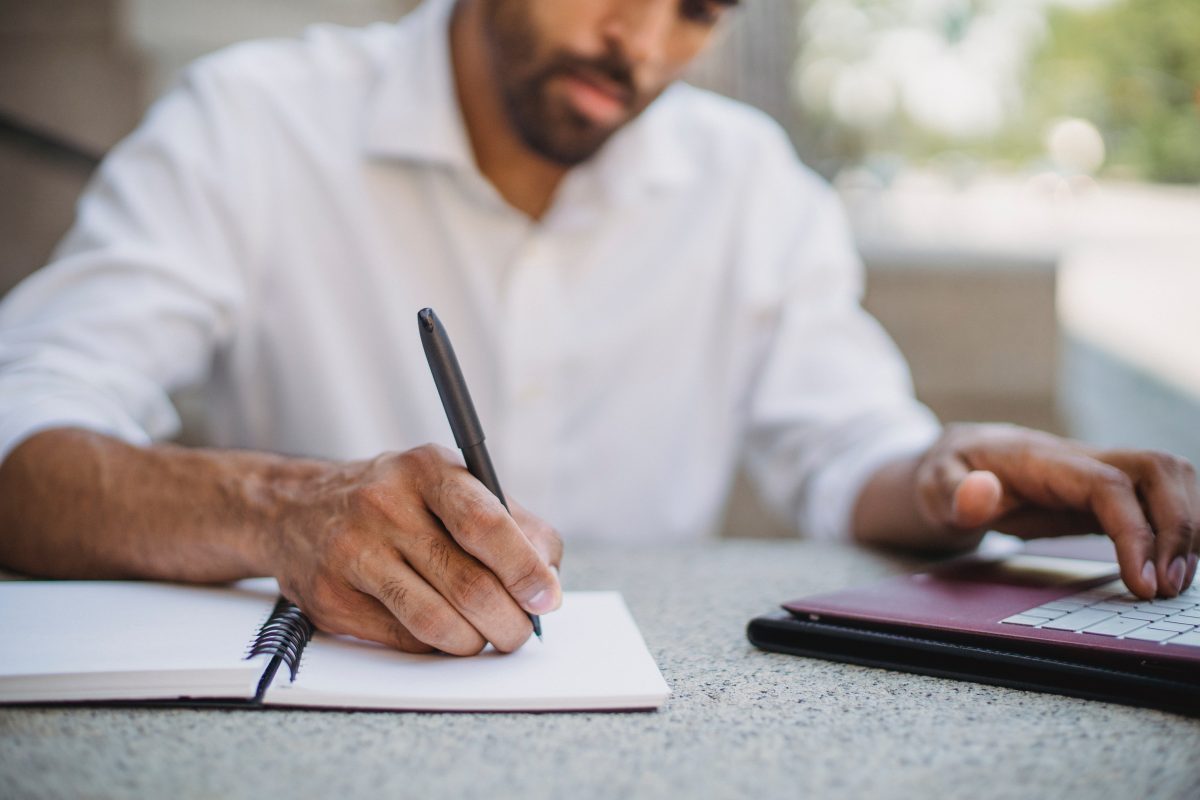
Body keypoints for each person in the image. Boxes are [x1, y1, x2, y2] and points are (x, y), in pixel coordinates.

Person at [0, 0, 1195, 657]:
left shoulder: (750, 183)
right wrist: (278, 509)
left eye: (696, 11)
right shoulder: (251, 122)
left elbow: (847, 452)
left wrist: (955, 475)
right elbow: (23, 426)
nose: (642, 44)